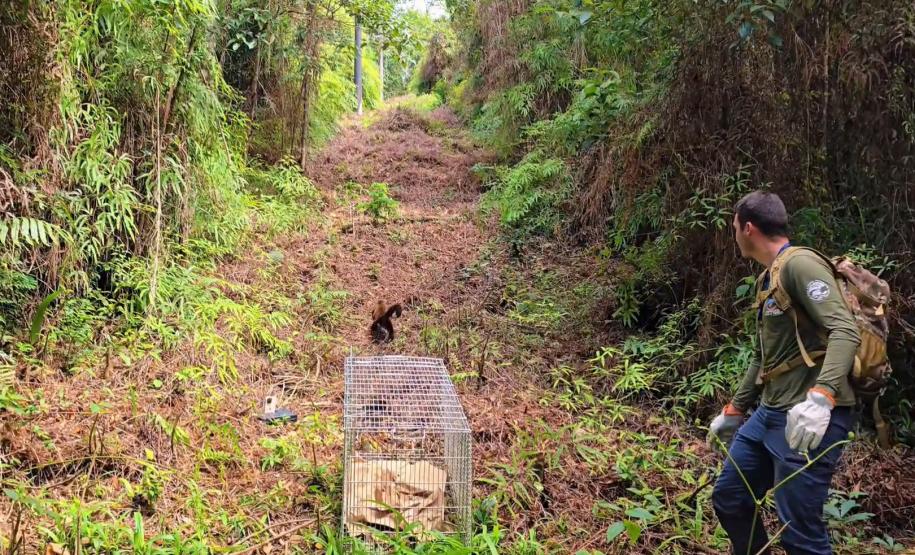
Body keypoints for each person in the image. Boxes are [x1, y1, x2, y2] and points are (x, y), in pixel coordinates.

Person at [707, 191, 860, 555]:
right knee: (730, 497)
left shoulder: (799, 264)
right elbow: (764, 357)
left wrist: (822, 397)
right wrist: (735, 410)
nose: (734, 234)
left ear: (747, 227)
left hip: (808, 416)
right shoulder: (768, 279)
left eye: (733, 227)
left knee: (799, 534)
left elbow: (845, 330)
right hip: (769, 413)